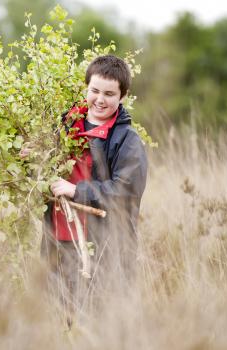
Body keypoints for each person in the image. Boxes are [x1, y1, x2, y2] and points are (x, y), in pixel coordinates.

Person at [41, 54, 148, 310]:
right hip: (58, 241)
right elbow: (44, 177)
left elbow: (126, 192)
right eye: (95, 90)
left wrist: (77, 190)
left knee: (97, 315)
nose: (100, 99)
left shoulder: (127, 140)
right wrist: (32, 158)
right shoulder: (64, 126)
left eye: (109, 94)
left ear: (123, 96)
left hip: (103, 247)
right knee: (56, 314)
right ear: (86, 87)